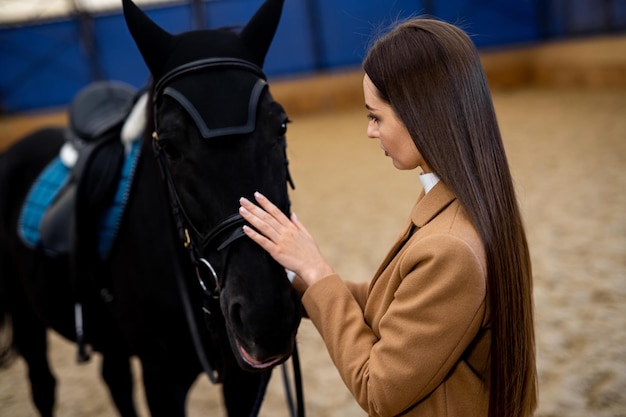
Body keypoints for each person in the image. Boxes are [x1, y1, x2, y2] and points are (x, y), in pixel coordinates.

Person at [239, 17, 537, 417]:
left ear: (419, 112)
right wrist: (300, 276)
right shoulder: (459, 200)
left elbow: (378, 389)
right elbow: (397, 304)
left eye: (375, 116)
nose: (370, 131)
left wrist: (318, 271)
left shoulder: (450, 249)